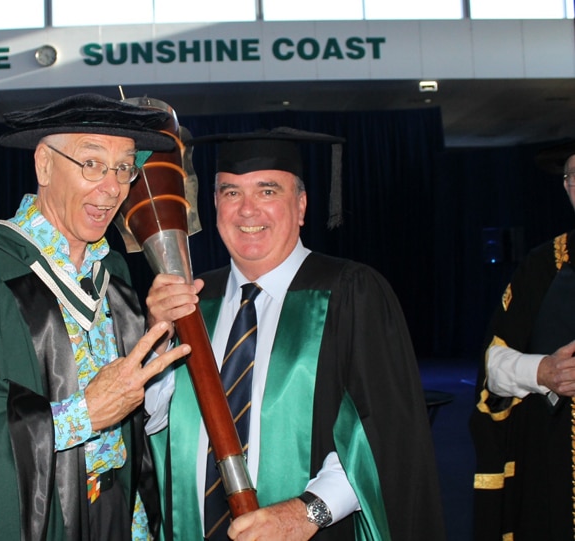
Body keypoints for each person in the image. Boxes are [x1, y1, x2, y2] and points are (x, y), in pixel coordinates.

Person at [0, 93, 192, 541]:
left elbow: (134, 418)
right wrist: (84, 414)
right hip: (36, 520)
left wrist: (156, 333)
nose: (113, 187)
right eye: (92, 163)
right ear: (44, 165)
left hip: (117, 511)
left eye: (124, 168)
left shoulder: (114, 274)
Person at [144, 128, 446, 540]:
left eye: (267, 191)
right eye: (231, 193)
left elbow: (386, 431)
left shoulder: (349, 292)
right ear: (213, 203)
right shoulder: (191, 300)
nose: (247, 210)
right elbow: (152, 424)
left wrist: (308, 512)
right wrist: (157, 338)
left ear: (301, 205)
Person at [469, 152, 575, 540]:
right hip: (554, 466)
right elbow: (494, 363)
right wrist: (543, 371)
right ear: (567, 187)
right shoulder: (543, 265)